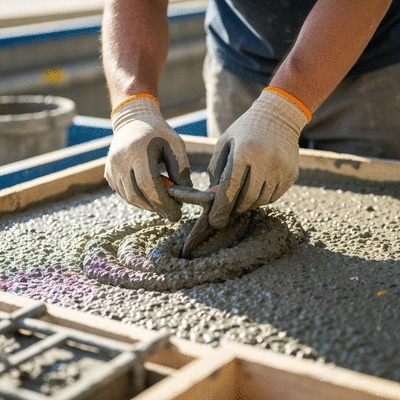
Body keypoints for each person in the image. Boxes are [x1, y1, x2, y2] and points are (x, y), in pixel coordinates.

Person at [101, 0, 400, 229]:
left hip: (370, 64)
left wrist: (281, 112)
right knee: (233, 207)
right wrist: (132, 109)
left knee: (372, 215)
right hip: (239, 59)